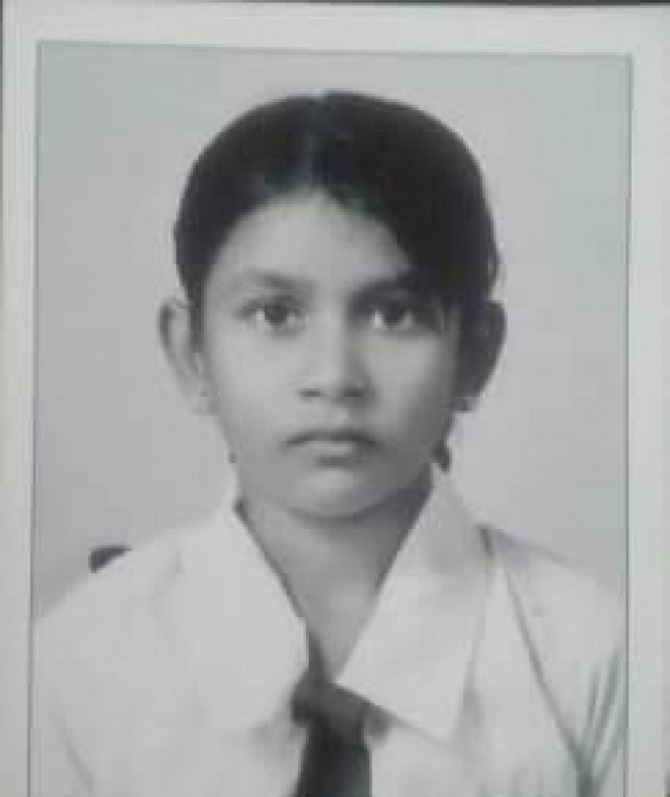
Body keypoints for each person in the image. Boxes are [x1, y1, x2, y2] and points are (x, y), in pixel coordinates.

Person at [32, 91, 625, 797]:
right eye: (275, 314)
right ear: (192, 352)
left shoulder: (591, 656)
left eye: (395, 314)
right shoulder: (77, 665)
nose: (335, 376)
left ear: (475, 354)